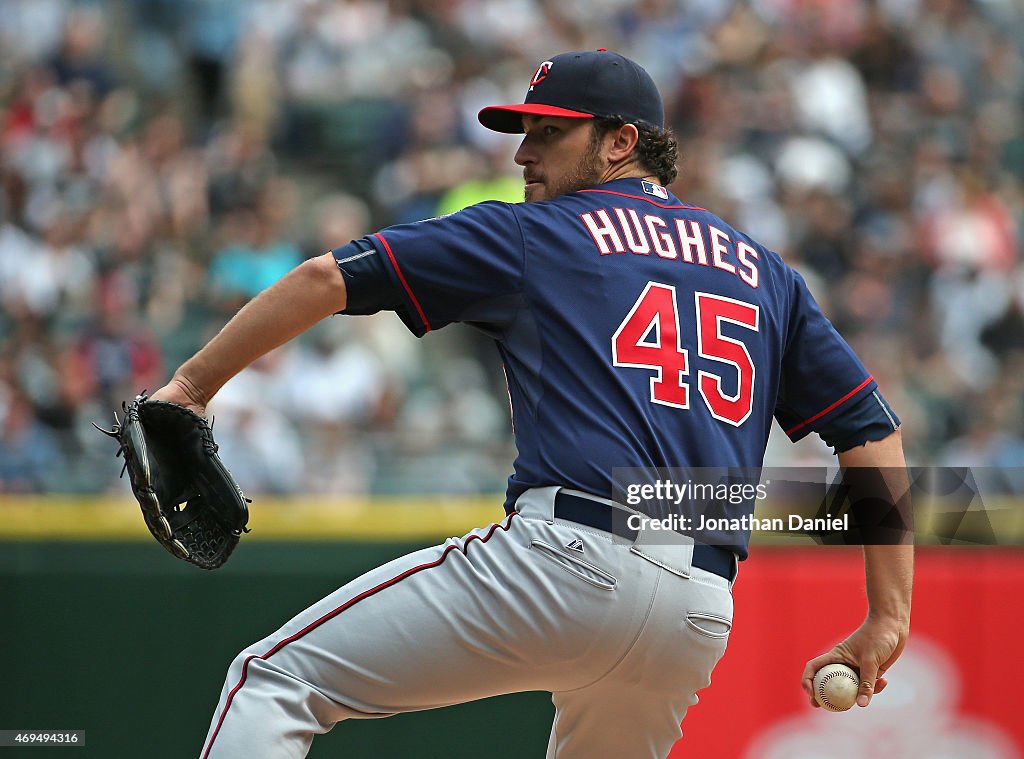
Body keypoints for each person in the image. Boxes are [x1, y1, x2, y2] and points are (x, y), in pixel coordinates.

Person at [150, 50, 913, 759]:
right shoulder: (763, 271)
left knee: (275, 680)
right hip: (699, 607)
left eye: (549, 132)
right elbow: (870, 430)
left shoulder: (536, 231)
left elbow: (326, 278)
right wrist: (887, 616)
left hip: (567, 558)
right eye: (524, 132)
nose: (523, 153)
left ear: (620, 141)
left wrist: (189, 390)